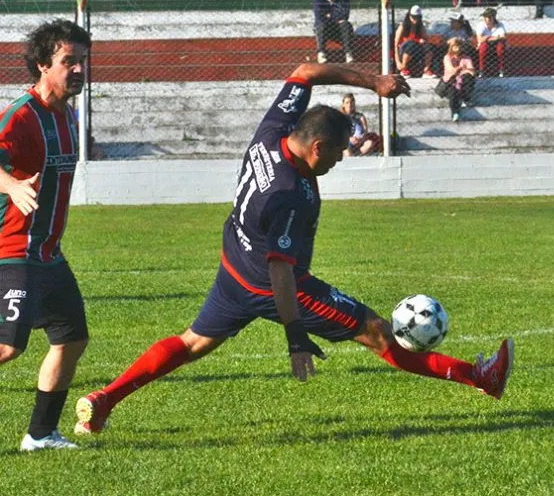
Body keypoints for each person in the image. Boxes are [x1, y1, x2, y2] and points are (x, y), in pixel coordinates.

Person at [74, 64, 514, 436]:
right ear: (317, 146)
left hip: (235, 267)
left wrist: (375, 83)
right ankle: (482, 378)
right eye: (338, 153)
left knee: (191, 344)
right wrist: (296, 337)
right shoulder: (289, 194)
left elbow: (305, 72)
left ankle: (105, 400)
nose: (340, 160)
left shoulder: (273, 132)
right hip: (278, 286)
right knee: (379, 332)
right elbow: (282, 272)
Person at [0, 20, 93, 451]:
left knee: (71, 339)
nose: (77, 69)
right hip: (13, 250)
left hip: (49, 254)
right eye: (67, 61)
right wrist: (11, 184)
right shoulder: (21, 115)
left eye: (81, 61)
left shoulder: (68, 114)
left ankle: (40, 435)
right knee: (7, 346)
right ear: (42, 65)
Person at [313, 0, 354, 64]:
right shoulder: (319, 0)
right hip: (325, 28)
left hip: (338, 28)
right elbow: (319, 17)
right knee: (321, 25)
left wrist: (328, 15)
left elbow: (345, 15)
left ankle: (348, 53)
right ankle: (321, 53)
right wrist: (335, 17)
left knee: (346, 24)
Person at [437, 40, 477, 122]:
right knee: (453, 92)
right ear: (451, 48)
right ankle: (455, 113)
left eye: (459, 46)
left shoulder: (466, 58)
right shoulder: (447, 57)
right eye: (455, 46)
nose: (458, 48)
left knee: (468, 77)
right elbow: (451, 71)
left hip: (461, 81)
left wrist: (462, 70)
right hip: (450, 82)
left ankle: (466, 98)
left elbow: (472, 71)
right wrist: (462, 68)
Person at [394, 5, 435, 78]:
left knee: (429, 47)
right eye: (413, 17)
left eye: (417, 17)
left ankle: (426, 70)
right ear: (409, 16)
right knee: (411, 43)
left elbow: (426, 38)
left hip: (416, 48)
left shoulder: (420, 26)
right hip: (404, 50)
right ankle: (404, 69)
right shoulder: (403, 26)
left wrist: (423, 40)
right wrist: (398, 62)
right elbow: (396, 44)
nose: (415, 19)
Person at [477, 8, 507, 78]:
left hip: (497, 43)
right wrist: (495, 37)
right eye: (486, 17)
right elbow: (480, 39)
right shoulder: (480, 25)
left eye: (490, 17)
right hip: (486, 43)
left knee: (500, 48)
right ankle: (481, 70)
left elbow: (504, 37)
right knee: (483, 48)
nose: (487, 19)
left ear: (493, 17)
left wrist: (487, 37)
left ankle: (501, 69)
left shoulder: (499, 24)